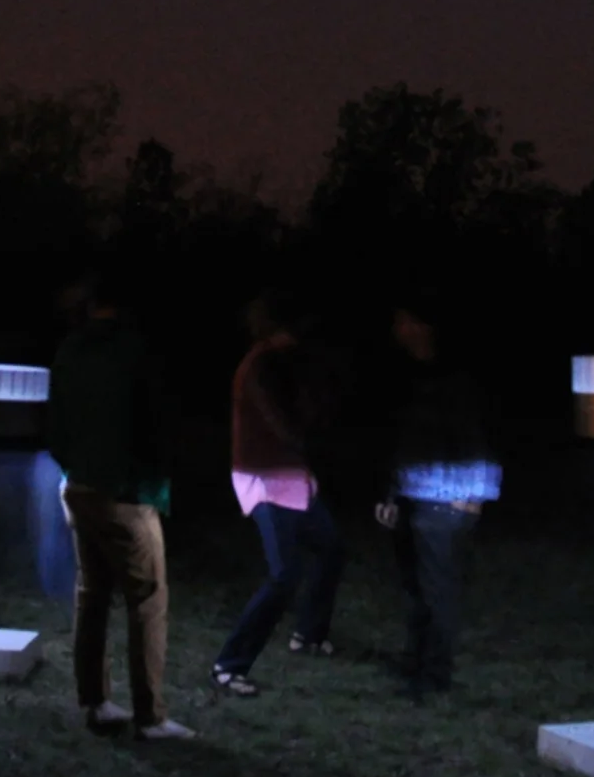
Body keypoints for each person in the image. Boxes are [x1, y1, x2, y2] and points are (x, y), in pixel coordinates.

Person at [49, 269, 195, 741]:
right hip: (124, 493)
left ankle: (95, 701)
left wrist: (75, 465)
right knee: (147, 599)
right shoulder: (136, 351)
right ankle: (150, 716)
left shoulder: (70, 349)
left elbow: (55, 424)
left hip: (79, 486)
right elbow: (154, 423)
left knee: (92, 594)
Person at [211, 292, 344, 697]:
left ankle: (308, 634)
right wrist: (312, 429)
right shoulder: (260, 367)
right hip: (264, 479)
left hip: (291, 476)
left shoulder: (284, 364)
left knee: (332, 548)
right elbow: (286, 426)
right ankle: (228, 665)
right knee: (284, 575)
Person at [375, 291, 501, 699]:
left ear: (422, 326)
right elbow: (405, 441)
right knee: (416, 587)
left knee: (437, 588)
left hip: (447, 498)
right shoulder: (409, 377)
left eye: (403, 321)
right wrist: (392, 494)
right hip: (415, 494)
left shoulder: (457, 379)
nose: (397, 330)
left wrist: (475, 495)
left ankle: (433, 675)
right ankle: (416, 660)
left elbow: (476, 434)